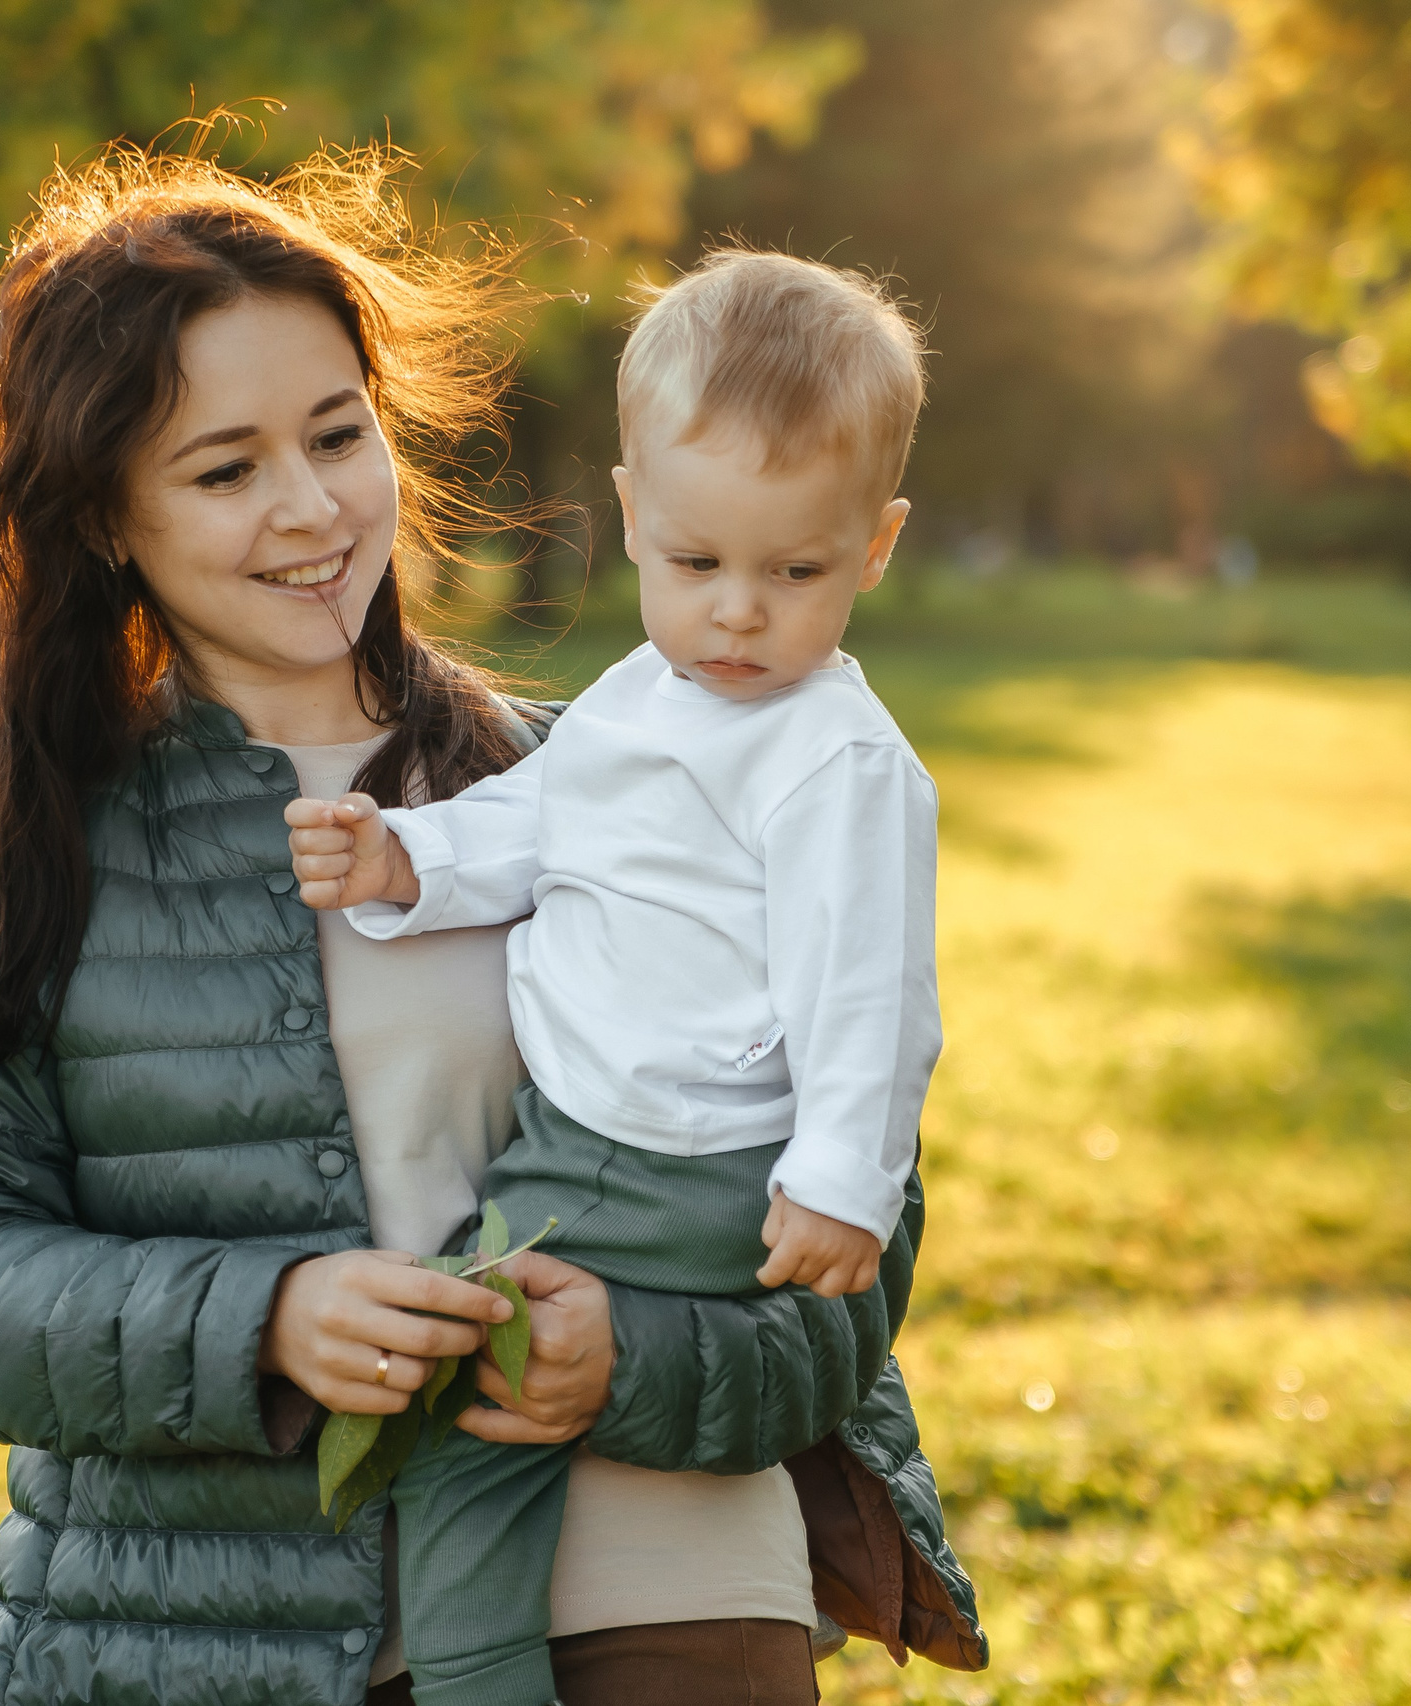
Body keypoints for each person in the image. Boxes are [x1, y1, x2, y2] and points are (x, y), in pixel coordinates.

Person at [0, 146, 985, 1706]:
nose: (312, 506)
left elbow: (859, 1221)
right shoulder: (32, 831)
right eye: (224, 467)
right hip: (220, 1624)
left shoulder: (589, 765)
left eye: (337, 433)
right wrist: (265, 1319)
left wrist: (640, 1361)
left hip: (656, 1575)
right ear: (110, 516)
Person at [284, 251, 949, 1706]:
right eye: (697, 562)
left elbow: (872, 993)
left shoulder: (836, 760)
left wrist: (847, 1173)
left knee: (475, 1427)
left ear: (876, 544)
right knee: (475, 1445)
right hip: (572, 1153)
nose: (737, 615)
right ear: (635, 510)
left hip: (703, 1172)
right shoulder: (639, 702)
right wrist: (407, 861)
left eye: (798, 572)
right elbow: (530, 826)